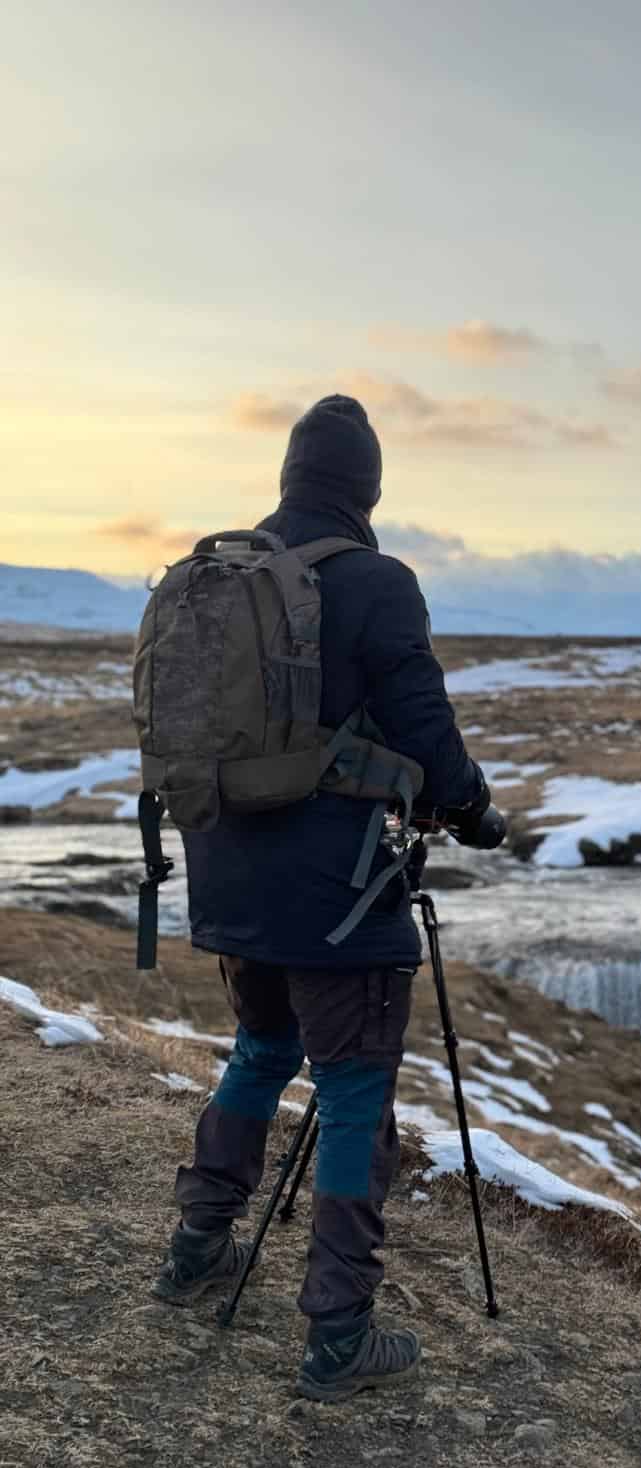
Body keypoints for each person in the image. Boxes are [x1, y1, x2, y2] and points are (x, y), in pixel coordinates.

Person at [150, 394, 500, 1402]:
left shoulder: (223, 578)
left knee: (261, 1050)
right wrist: (472, 809)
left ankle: (195, 1246)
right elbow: (426, 731)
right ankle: (339, 1332)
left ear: (290, 480)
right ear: (370, 490)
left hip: (225, 874)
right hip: (338, 894)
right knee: (353, 1090)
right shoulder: (378, 582)